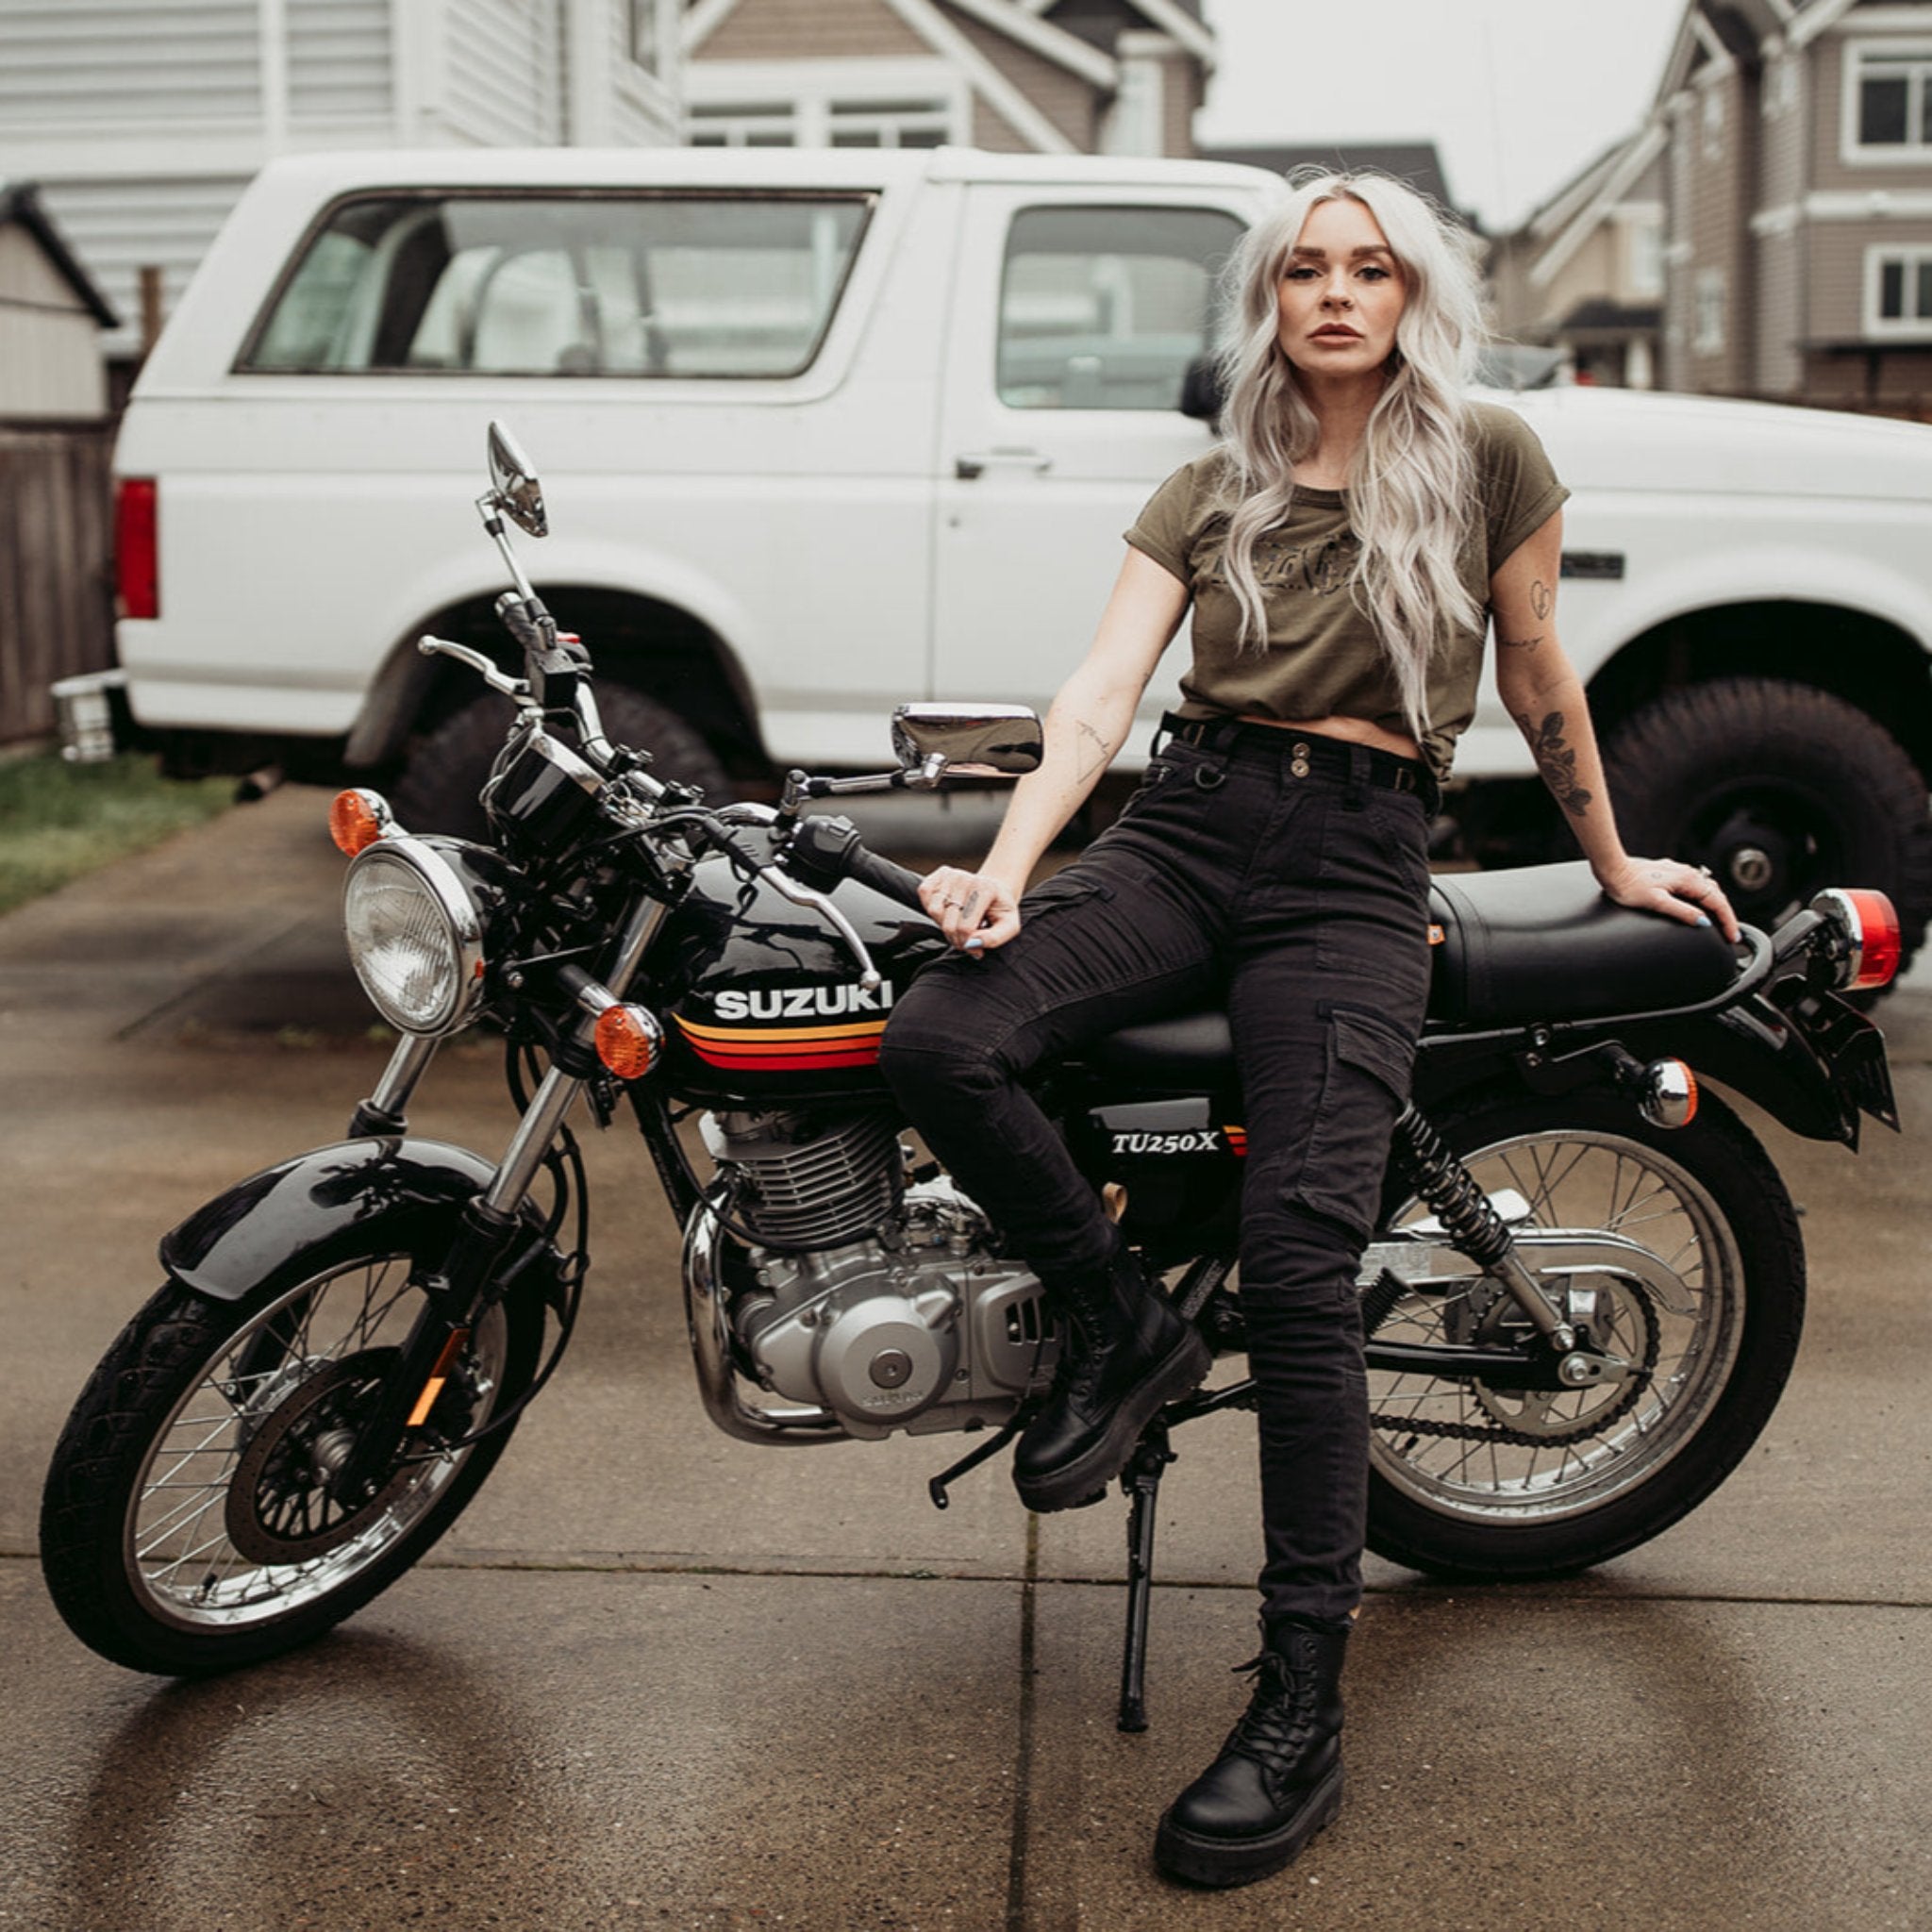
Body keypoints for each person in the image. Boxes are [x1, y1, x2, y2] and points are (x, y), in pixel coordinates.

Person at [876, 170, 1739, 1890]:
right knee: (940, 1038)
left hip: (1357, 868)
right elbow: (1098, 696)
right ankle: (1123, 1328)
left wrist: (1613, 855)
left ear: (1413, 292)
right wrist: (1007, 869)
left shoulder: (1489, 455)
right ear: (1267, 300)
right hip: (1188, 830)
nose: (1335, 293)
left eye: (1367, 268)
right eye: (1302, 271)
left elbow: (1539, 670)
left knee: (1298, 1259)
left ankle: (1298, 1703)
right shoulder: (1211, 483)